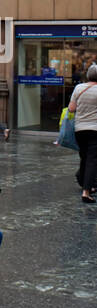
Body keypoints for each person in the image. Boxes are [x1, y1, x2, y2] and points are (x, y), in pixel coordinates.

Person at [68, 63, 97, 204]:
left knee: (84, 157)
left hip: (79, 129)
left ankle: (83, 180)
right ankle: (87, 191)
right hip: (95, 130)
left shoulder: (78, 88)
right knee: (92, 160)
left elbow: (71, 108)